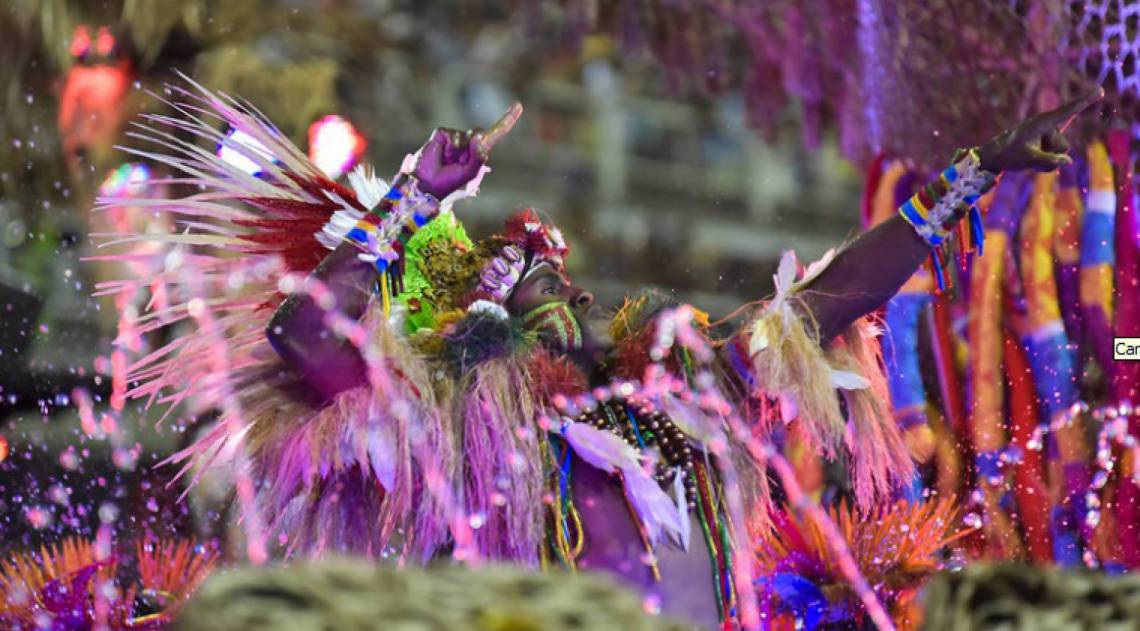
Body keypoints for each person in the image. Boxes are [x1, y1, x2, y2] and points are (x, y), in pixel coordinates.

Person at [107, 79, 1099, 628]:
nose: (559, 273)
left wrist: (982, 168)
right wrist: (410, 202)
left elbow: (830, 302)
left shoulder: (675, 396)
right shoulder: (429, 432)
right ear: (468, 317)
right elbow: (304, 333)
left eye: (567, 280)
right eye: (526, 267)